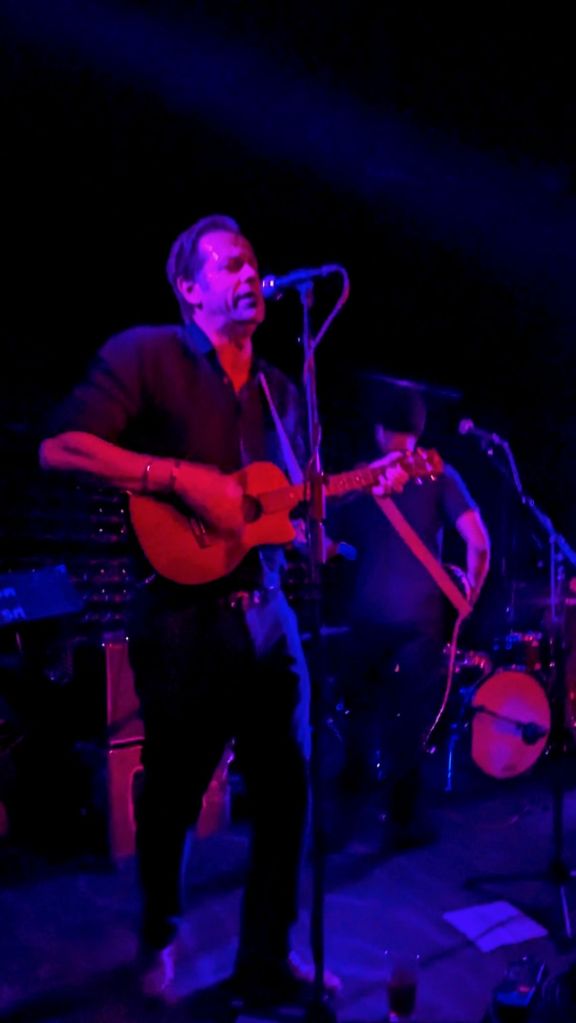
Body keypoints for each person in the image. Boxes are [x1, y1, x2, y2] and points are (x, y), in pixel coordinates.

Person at [38, 214, 405, 1007]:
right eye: (231, 264)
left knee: (287, 794)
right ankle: (159, 933)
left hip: (269, 615)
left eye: (253, 262)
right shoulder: (147, 355)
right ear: (189, 286)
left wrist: (320, 525)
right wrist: (173, 475)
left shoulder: (283, 391)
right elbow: (59, 446)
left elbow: (281, 509)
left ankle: (267, 957)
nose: (249, 274)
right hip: (180, 619)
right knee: (173, 796)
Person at [327, 385, 490, 850]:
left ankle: (341, 824)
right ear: (418, 430)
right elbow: (479, 543)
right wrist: (468, 599)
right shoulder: (440, 475)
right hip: (422, 618)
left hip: (366, 613)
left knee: (360, 719)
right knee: (410, 723)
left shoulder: (354, 482)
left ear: (379, 431)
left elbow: (323, 547)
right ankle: (404, 824)